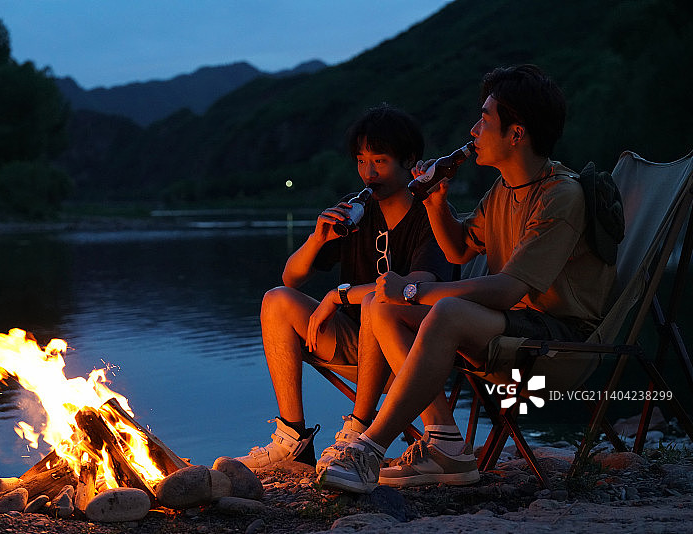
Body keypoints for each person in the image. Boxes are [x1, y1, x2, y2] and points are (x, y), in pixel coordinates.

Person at [318, 64, 617, 493]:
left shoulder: (559, 196)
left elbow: (511, 288)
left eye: (486, 118)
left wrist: (417, 288)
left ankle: (369, 449)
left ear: (516, 134)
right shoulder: (503, 191)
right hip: (511, 329)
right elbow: (460, 248)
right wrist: (436, 200)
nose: (474, 129)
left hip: (557, 344)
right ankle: (445, 444)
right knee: (380, 304)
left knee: (446, 311)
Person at [235, 104, 453, 469]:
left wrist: (338, 296)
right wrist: (317, 239)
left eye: (380, 161)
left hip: (411, 350)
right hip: (356, 344)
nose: (369, 173)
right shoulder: (357, 214)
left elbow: (421, 282)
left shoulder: (428, 214)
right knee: (276, 300)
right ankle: (292, 438)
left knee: (374, 305)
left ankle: (360, 429)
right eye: (361, 161)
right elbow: (292, 278)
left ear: (410, 161)